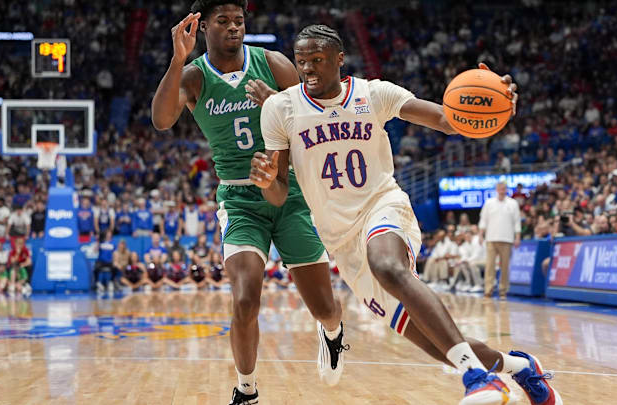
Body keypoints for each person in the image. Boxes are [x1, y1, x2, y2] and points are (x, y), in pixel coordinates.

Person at [249, 24, 560, 405]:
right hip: (340, 242)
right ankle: (519, 367)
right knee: (432, 341)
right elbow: (278, 194)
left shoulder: (374, 93)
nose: (309, 69)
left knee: (387, 264)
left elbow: (447, 120)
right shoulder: (279, 108)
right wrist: (266, 182)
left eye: (317, 60)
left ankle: (478, 378)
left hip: (383, 207)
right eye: (302, 62)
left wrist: (494, 104)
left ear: (339, 59)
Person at [151, 3, 345, 402]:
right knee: (244, 298)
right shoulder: (194, 77)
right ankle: (247, 390)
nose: (234, 28)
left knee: (326, 308)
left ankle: (332, 333)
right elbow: (161, 119)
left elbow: (312, 123)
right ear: (204, 26)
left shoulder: (273, 63)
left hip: (289, 193)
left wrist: (275, 103)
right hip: (240, 199)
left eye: (239, 21)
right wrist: (177, 59)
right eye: (223, 21)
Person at [478, 182, 522, 299]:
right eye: (500, 188)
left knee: (505, 266)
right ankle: (488, 290)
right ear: (497, 189)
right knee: (490, 266)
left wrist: (517, 236)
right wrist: (481, 235)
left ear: (506, 190)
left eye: (504, 188)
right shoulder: (489, 203)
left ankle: (503, 290)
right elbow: (483, 220)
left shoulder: (513, 204)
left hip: (507, 238)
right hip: (491, 238)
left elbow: (517, 221)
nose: (502, 190)